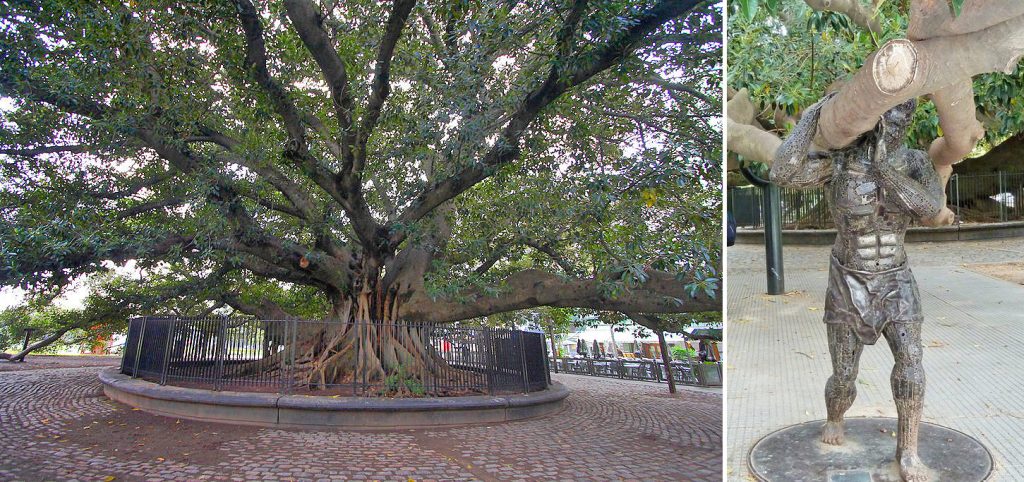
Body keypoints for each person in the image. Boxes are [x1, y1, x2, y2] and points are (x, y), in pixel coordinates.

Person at [771, 94, 945, 482]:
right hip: (849, 279)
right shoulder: (842, 162)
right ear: (875, 119)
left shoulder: (915, 162)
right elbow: (782, 174)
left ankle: (908, 451)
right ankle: (835, 417)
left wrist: (884, 170)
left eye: (904, 115)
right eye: (889, 116)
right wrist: (810, 119)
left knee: (912, 361)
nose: (896, 124)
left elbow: (931, 208)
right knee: (844, 376)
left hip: (896, 278)